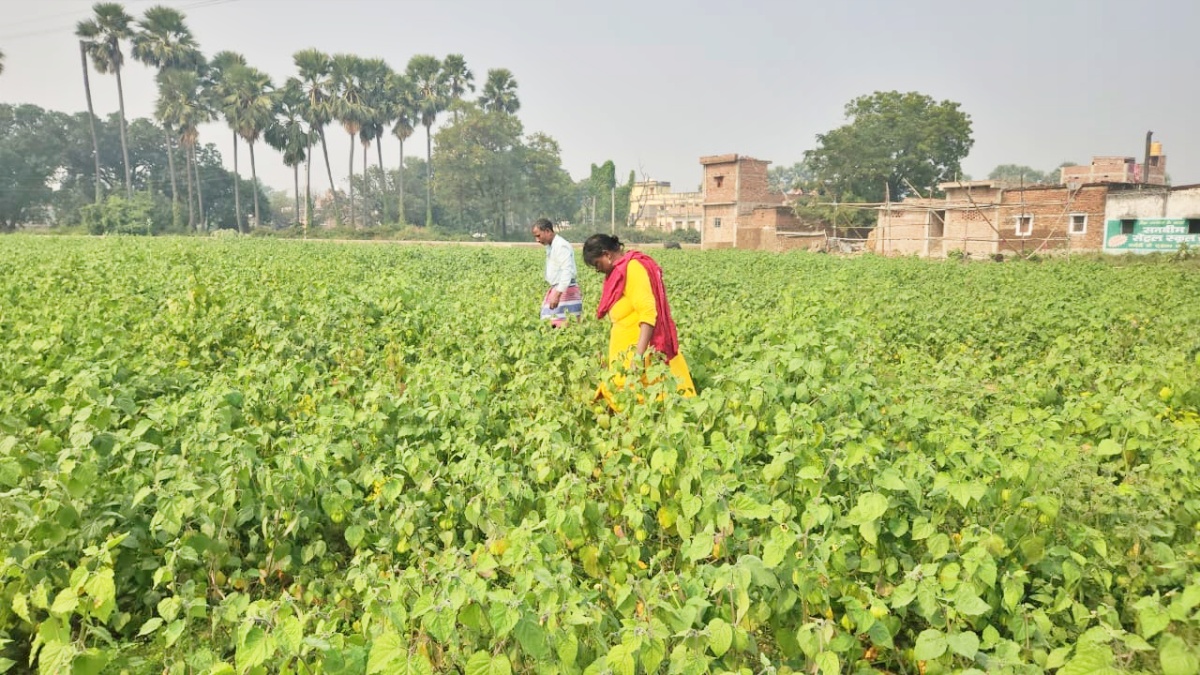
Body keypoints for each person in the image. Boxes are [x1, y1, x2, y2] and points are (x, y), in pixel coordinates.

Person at [583, 234, 695, 404]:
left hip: (641, 353)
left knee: (650, 401)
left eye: (597, 264)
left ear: (607, 254)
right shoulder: (620, 271)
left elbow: (648, 314)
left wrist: (639, 357)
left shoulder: (633, 269)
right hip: (625, 354)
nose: (597, 270)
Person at [532, 219, 583, 327]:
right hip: (560, 289)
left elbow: (567, 270)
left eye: (538, 235)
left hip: (564, 290)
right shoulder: (551, 246)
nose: (537, 240)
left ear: (547, 231)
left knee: (558, 325)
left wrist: (557, 294)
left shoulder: (560, 246)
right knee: (553, 324)